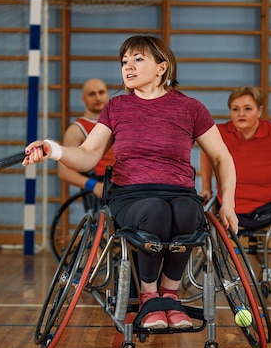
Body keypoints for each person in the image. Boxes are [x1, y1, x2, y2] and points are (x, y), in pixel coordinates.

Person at [24, 35, 238, 330]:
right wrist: (53, 149)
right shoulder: (117, 108)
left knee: (190, 214)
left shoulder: (191, 108)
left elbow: (222, 158)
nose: (129, 67)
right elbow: (87, 155)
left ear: (162, 67)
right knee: (155, 211)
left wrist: (230, 204)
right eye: (124, 61)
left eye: (138, 60)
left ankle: (169, 295)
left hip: (180, 191)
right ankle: (149, 298)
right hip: (131, 194)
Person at [200, 86, 271, 228]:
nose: (241, 114)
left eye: (248, 109)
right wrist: (206, 188)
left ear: (259, 111)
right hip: (228, 205)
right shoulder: (219, 133)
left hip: (268, 206)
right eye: (235, 109)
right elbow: (206, 153)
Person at [58, 78, 115, 199]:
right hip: (100, 186)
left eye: (101, 92)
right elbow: (64, 171)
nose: (98, 98)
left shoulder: (117, 122)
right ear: (83, 99)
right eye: (92, 94)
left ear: (107, 94)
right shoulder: (76, 129)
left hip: (124, 183)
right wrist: (93, 185)